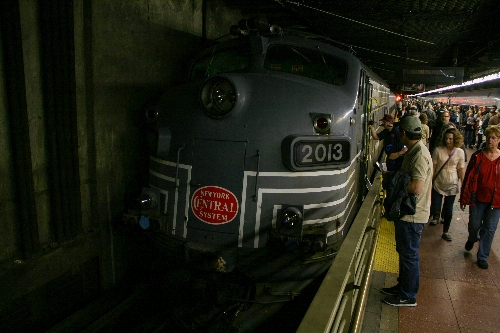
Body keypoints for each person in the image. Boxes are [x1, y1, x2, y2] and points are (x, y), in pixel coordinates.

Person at [382, 115, 433, 307]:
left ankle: (408, 295)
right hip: (408, 212)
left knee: (409, 255)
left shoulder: (419, 155)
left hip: (413, 214)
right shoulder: (414, 150)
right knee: (404, 252)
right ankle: (402, 287)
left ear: (403, 133)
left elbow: (415, 187)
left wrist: (395, 179)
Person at [460, 125, 500, 269]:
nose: (490, 140)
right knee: (474, 225)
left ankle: (482, 256)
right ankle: (472, 238)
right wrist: (464, 196)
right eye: (488, 137)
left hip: (496, 201)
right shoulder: (477, 156)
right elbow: (468, 176)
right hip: (477, 199)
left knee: (489, 228)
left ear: (498, 140)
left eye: (493, 138)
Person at [429, 128, 465, 241]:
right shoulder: (438, 150)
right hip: (438, 182)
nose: (448, 141)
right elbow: (433, 168)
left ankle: (446, 231)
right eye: (446, 138)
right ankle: (435, 216)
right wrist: (430, 181)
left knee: (449, 209)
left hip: (452, 183)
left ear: (456, 139)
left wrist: (464, 185)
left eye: (451, 139)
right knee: (435, 205)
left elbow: (461, 169)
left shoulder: (460, 152)